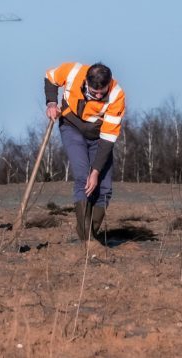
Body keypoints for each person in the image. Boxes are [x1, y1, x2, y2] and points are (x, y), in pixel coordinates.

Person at [44, 62, 125, 243]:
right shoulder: (73, 72)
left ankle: (91, 234)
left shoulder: (116, 95)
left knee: (104, 188)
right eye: (93, 91)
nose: (97, 95)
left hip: (99, 137)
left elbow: (108, 138)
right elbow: (50, 77)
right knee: (82, 177)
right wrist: (51, 102)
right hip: (71, 126)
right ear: (86, 81)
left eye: (101, 92)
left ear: (108, 84)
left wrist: (96, 171)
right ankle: (87, 241)